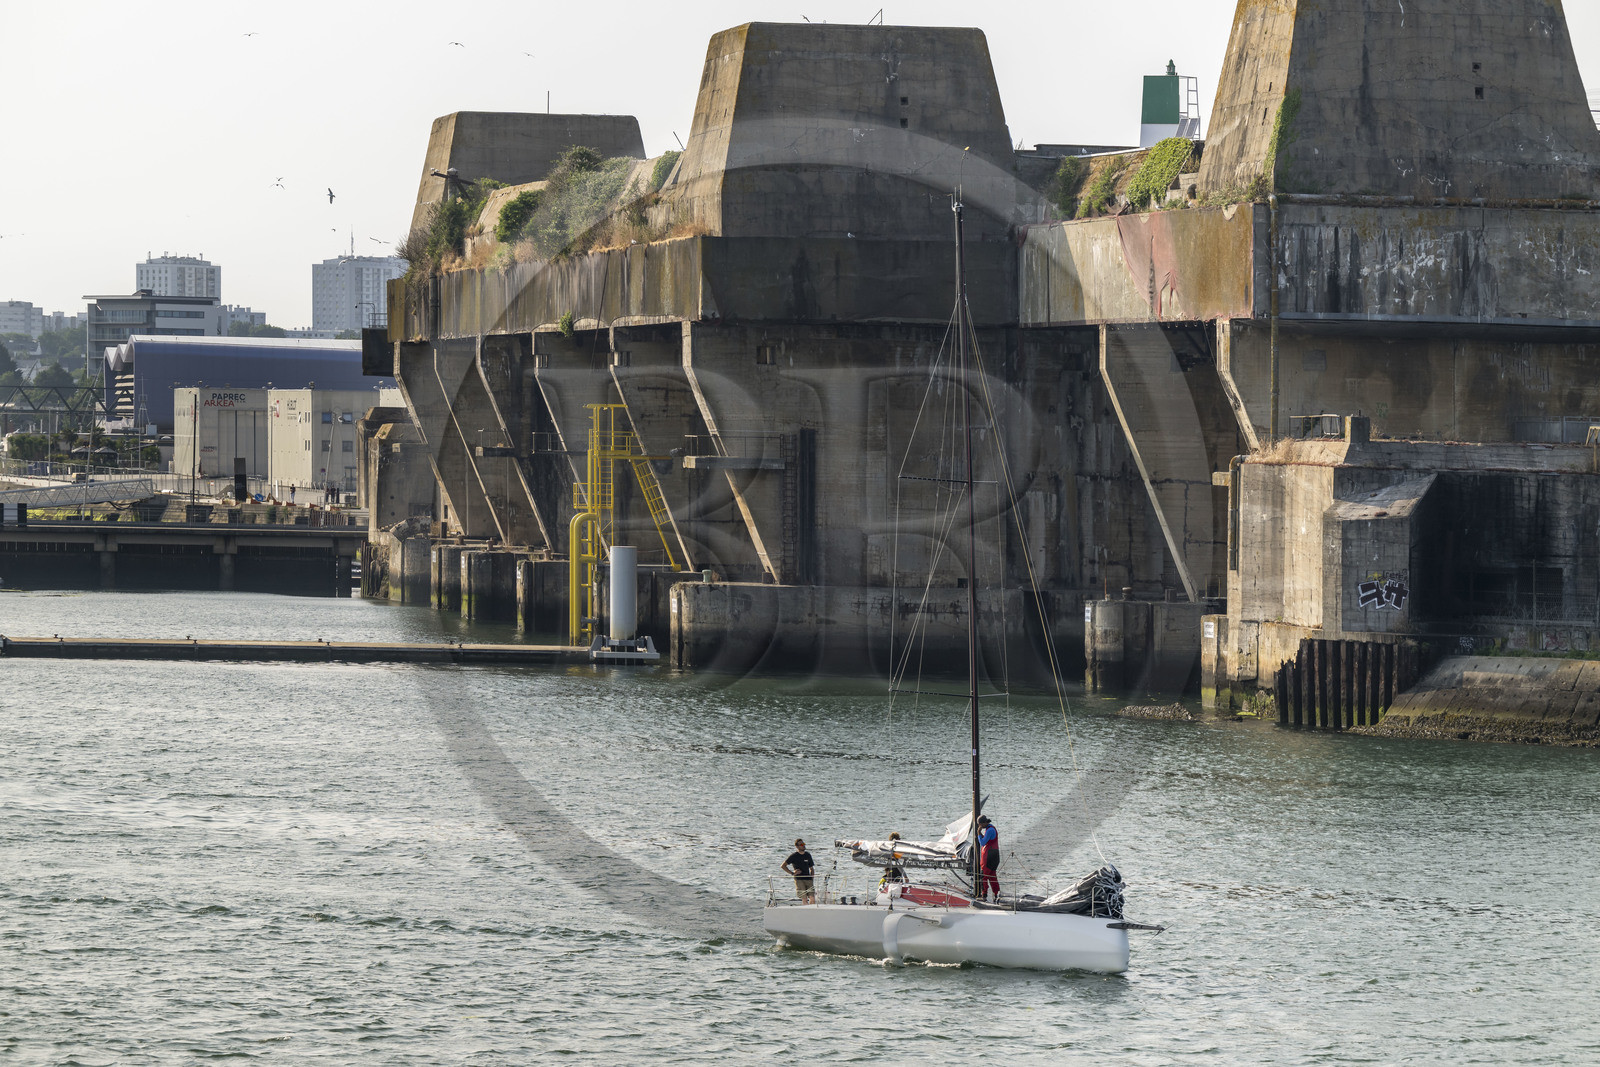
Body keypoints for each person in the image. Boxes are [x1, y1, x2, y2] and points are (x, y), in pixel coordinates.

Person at [781, 838, 816, 903]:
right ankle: (806, 912)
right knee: (804, 898)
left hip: (808, 879)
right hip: (799, 879)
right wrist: (792, 873)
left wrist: (812, 878)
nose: (803, 845)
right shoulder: (794, 856)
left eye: (804, 844)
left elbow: (811, 868)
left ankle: (811, 911)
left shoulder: (807, 855)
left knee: (812, 898)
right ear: (797, 846)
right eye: (801, 844)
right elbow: (783, 866)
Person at [977, 816, 1000, 901]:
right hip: (995, 855)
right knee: (992, 876)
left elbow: (983, 842)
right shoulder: (991, 828)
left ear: (983, 823)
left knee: (983, 877)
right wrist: (981, 835)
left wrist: (979, 833)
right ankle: (996, 895)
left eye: (980, 824)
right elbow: (986, 839)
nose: (979, 826)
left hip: (989, 856)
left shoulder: (989, 830)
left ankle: (984, 896)